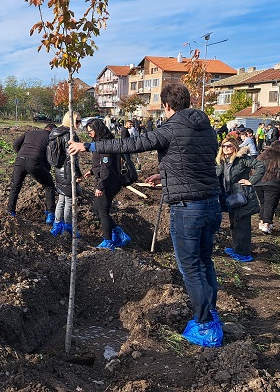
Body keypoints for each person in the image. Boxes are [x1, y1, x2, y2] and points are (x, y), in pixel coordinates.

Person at [68, 83, 223, 348]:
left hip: (187, 209)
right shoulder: (207, 130)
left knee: (191, 268)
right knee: (205, 261)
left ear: (166, 106)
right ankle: (210, 313)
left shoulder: (170, 128)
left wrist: (89, 145)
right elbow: (193, 164)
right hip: (211, 204)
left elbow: (131, 143)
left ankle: (205, 324)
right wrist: (164, 176)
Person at [216, 136, 265, 262]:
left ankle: (244, 253)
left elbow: (260, 166)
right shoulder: (221, 161)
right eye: (223, 146)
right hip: (229, 196)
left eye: (229, 146)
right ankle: (237, 248)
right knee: (234, 223)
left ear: (234, 147)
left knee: (242, 224)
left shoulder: (242, 159)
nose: (226, 148)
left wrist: (251, 181)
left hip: (241, 195)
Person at [82, 119, 130, 249]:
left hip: (109, 182)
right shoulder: (100, 143)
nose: (89, 134)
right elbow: (101, 164)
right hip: (107, 180)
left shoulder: (105, 144)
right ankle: (120, 234)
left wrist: (100, 186)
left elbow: (106, 167)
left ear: (97, 130)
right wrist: (92, 171)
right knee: (97, 209)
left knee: (102, 211)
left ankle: (108, 241)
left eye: (91, 131)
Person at [6, 124, 57, 222]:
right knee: (49, 185)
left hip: (19, 161)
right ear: (52, 130)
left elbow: (15, 144)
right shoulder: (50, 138)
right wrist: (46, 168)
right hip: (35, 162)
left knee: (15, 186)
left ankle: (10, 211)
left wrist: (21, 154)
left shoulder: (30, 132)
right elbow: (50, 156)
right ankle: (50, 214)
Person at [49, 111, 84, 237]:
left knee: (61, 199)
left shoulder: (55, 133)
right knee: (69, 200)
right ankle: (68, 227)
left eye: (80, 121)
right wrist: (78, 174)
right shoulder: (70, 135)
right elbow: (71, 158)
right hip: (68, 172)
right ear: (71, 121)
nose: (79, 124)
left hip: (59, 170)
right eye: (77, 121)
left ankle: (57, 225)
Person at [255, 141, 280, 235]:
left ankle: (261, 221)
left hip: (258, 182)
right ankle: (267, 224)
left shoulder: (263, 156)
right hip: (273, 183)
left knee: (263, 203)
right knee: (270, 204)